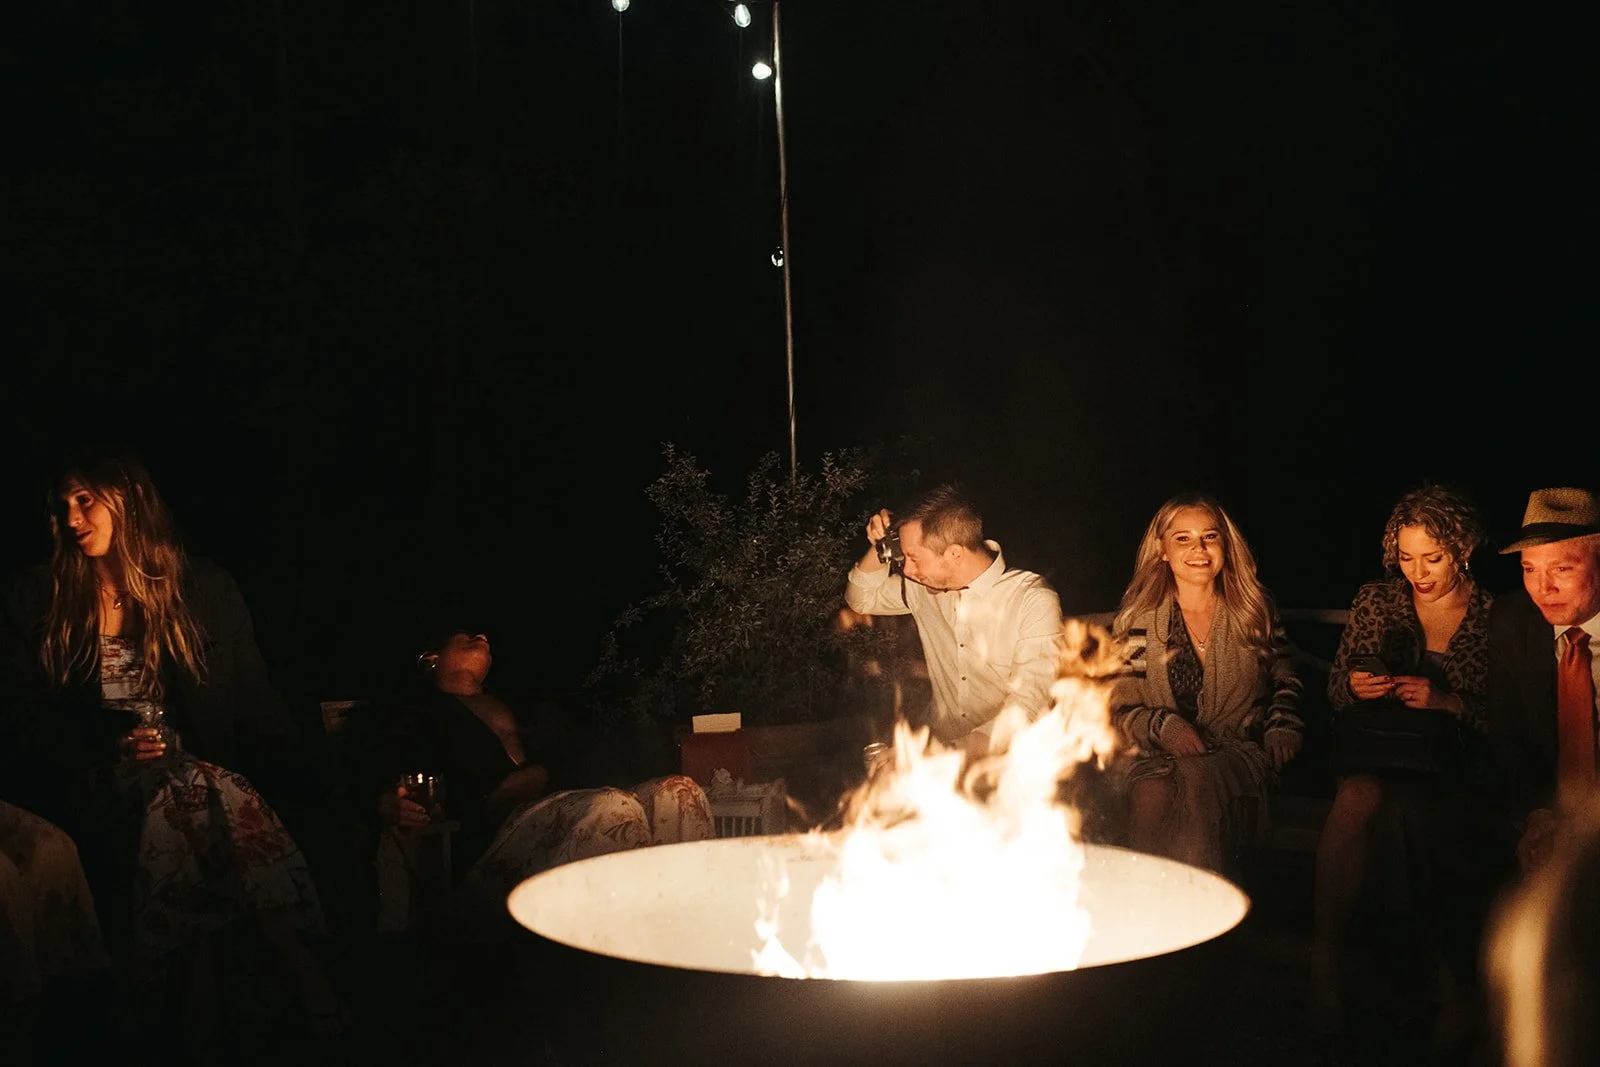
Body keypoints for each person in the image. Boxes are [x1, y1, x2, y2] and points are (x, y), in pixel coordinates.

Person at [0, 445, 346, 1055]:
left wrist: (332, 785)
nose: (71, 518)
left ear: (129, 499)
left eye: (85, 500)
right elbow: (21, 718)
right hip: (94, 777)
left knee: (182, 797)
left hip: (196, 783)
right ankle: (298, 964)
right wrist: (107, 743)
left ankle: (194, 1027)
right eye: (61, 505)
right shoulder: (38, 596)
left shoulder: (202, 588)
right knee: (185, 792)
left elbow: (256, 704)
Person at [368, 627, 714, 940]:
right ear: (432, 660)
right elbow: (375, 769)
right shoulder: (416, 712)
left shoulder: (519, 704)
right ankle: (630, 949)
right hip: (492, 834)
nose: (483, 636)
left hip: (563, 801)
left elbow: (577, 754)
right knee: (610, 808)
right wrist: (385, 800)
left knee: (679, 792)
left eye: (483, 637)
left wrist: (543, 773)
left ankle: (691, 936)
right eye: (466, 638)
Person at [1309, 483, 1498, 1044]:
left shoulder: (1494, 614)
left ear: (1463, 549)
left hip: (1452, 763)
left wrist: (1449, 703)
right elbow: (1336, 689)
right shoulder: (1377, 600)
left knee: (1415, 813)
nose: (1418, 573)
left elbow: (1511, 714)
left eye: (1432, 558)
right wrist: (1356, 686)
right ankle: (1326, 960)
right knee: (1359, 797)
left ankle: (1446, 982)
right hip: (1378, 748)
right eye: (1407, 558)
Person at [1107, 492, 1303, 873]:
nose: (1198, 549)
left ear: (1225, 544)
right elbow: (1121, 707)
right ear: (1162, 550)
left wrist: (1283, 723)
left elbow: (1285, 676)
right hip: (1161, 755)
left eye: (1209, 537)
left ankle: (1203, 896)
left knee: (1195, 776)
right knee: (1150, 793)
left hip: (1237, 749)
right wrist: (1164, 726)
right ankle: (1144, 899)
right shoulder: (1140, 622)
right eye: (1183, 538)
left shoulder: (1251, 611)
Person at [843, 483, 1064, 752]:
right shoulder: (921, 587)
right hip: (941, 756)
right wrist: (882, 546)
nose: (906, 569)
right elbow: (860, 598)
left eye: (913, 558)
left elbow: (1029, 703)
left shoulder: (1032, 600)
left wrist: (943, 756)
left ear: (954, 554)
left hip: (1013, 763)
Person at [1487, 486, 1600, 876]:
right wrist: (1538, 815)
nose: (1543, 588)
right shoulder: (1512, 621)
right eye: (1529, 569)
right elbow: (1508, 735)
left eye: (1563, 569)